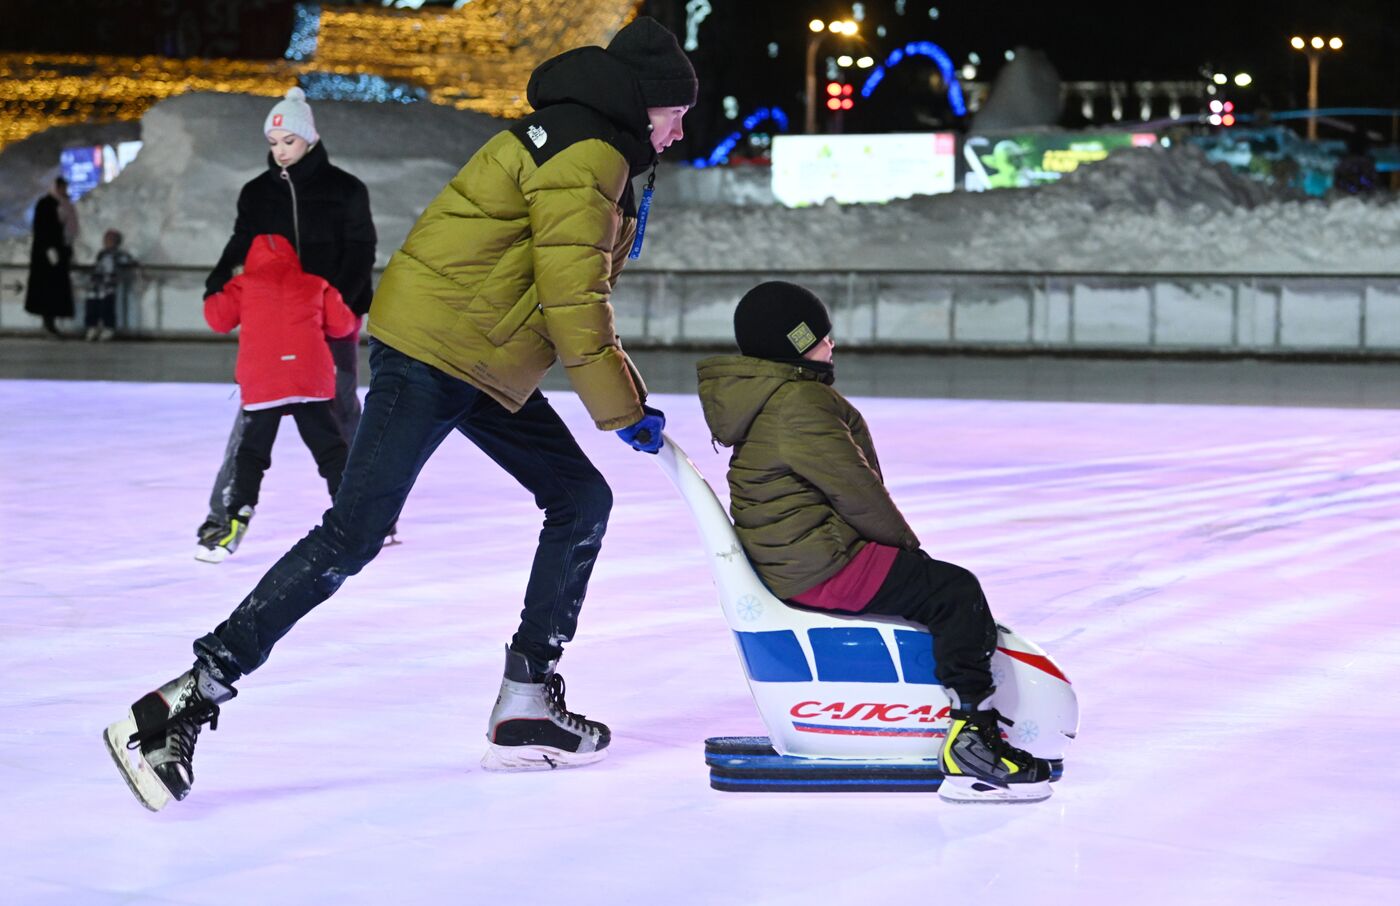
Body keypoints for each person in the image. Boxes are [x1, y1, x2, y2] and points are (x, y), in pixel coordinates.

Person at [105, 16, 696, 811]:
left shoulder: (584, 142)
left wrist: (617, 397)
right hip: (431, 353)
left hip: (480, 358)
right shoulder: (588, 153)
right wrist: (623, 407)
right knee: (352, 534)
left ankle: (526, 699)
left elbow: (554, 284)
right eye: (676, 112)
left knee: (580, 498)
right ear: (645, 102)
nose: (682, 128)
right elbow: (572, 293)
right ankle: (186, 698)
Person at [695, 281, 1055, 804]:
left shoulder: (773, 398)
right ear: (797, 344)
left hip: (799, 554)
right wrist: (910, 553)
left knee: (939, 587)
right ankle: (971, 740)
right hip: (818, 563)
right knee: (953, 592)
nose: (831, 344)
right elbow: (858, 495)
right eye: (821, 337)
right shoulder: (799, 402)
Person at [196, 86, 378, 557]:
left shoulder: (345, 190)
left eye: (288, 143)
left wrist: (336, 300)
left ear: (309, 139)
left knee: (340, 409)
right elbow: (241, 243)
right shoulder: (257, 193)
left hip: (333, 316)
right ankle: (223, 516)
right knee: (253, 417)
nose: (280, 152)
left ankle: (371, 510)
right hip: (278, 323)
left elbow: (362, 252)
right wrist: (218, 277)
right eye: (274, 144)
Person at [197, 233, 359, 562]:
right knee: (330, 451)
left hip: (264, 381)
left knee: (251, 454)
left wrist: (215, 287)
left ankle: (236, 516)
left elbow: (217, 319)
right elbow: (343, 325)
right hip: (308, 380)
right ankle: (353, 516)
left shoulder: (243, 285)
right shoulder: (314, 283)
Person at [24, 177, 78, 337]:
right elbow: (42, 229)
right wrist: (49, 249)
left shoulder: (63, 204)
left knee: (54, 290)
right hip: (47, 256)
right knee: (48, 290)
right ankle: (49, 322)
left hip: (58, 254)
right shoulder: (47, 204)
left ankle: (51, 321)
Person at [83, 228, 138, 341]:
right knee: (92, 306)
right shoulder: (101, 253)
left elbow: (129, 261)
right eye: (107, 239)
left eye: (111, 239)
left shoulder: (119, 254)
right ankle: (92, 327)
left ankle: (108, 328)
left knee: (106, 307)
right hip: (95, 285)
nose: (108, 242)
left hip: (108, 286)